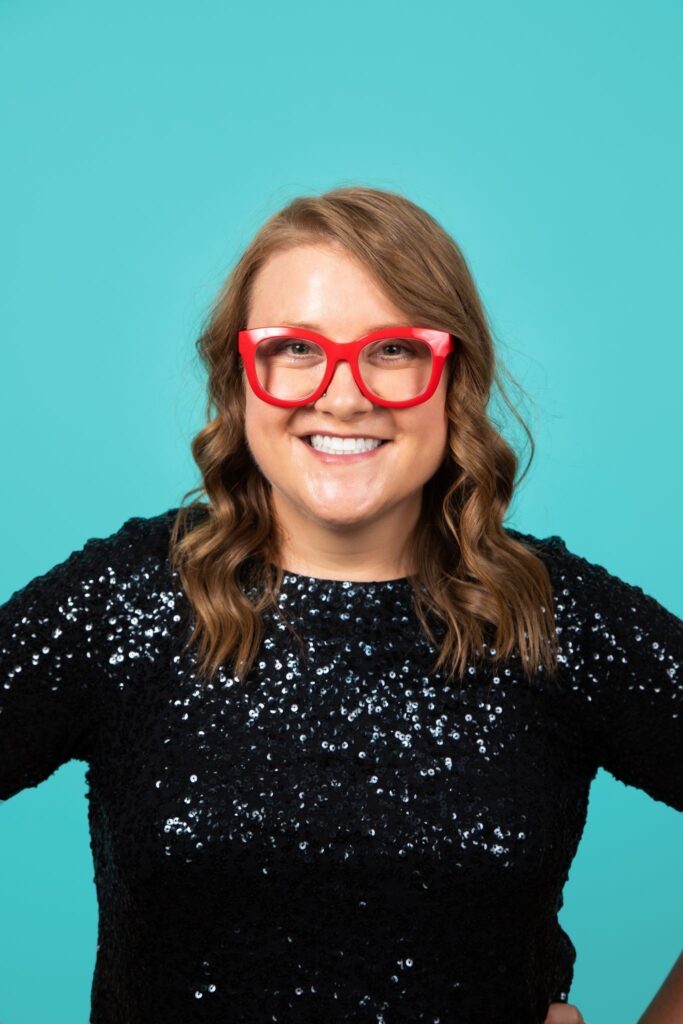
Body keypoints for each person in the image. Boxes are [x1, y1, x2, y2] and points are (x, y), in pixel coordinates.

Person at [1, 186, 681, 1024]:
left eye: (392, 349)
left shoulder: (547, 614)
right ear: (239, 377)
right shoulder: (128, 598)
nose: (344, 395)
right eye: (295, 348)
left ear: (452, 375)